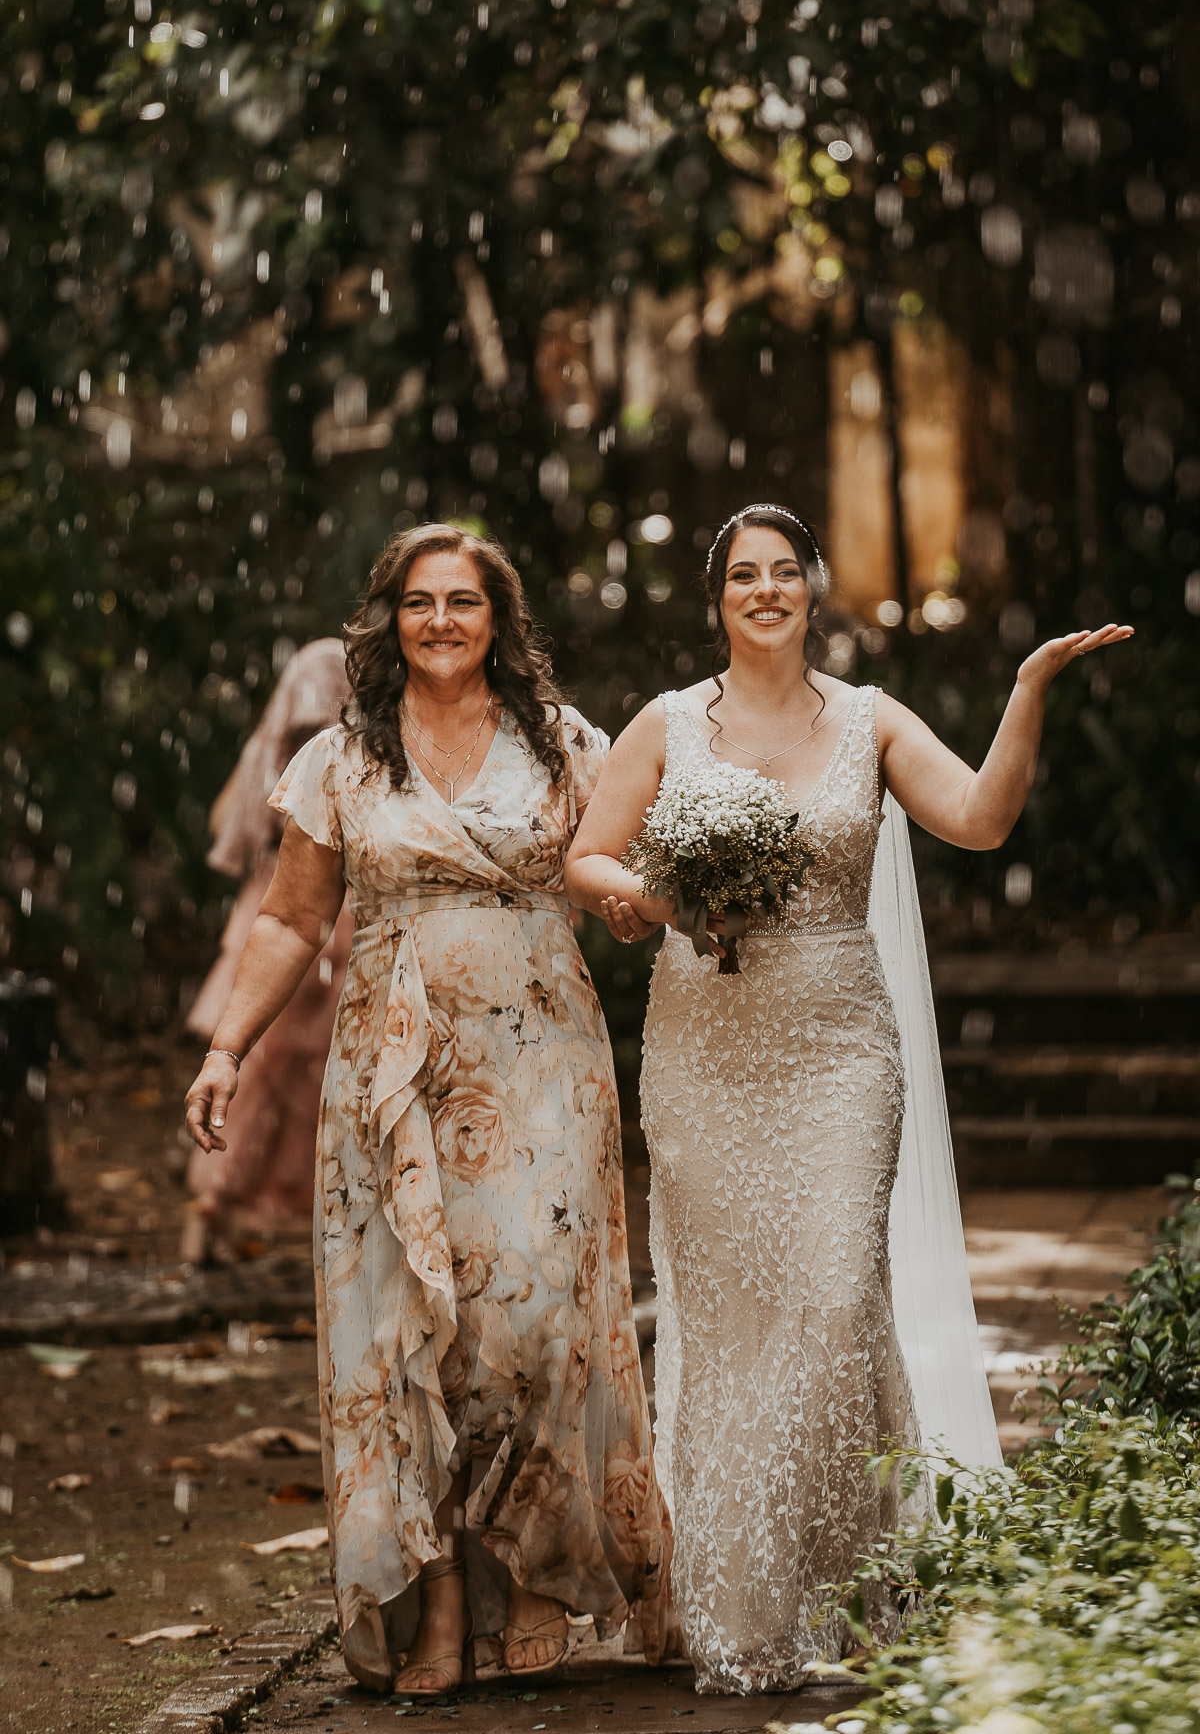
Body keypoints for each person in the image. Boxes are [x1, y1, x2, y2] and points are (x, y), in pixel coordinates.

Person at [564, 503, 1132, 1695]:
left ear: (814, 590)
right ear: (718, 597)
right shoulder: (669, 724)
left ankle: (793, 1567)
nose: (764, 592)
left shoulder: (870, 721)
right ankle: (753, 1597)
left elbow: (980, 819)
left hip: (838, 1053)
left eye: (785, 574)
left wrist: (1028, 687)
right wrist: (667, 899)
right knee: (732, 1324)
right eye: (743, 577)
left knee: (828, 1297)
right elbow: (586, 856)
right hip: (706, 1052)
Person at [183, 525, 669, 1697]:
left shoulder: (563, 745)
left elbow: (621, 866)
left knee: (540, 1317)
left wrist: (640, 907)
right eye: (419, 602)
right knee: (415, 1337)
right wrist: (225, 1050)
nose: (441, 620)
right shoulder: (344, 760)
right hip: (390, 1076)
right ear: (388, 621)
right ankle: (445, 1607)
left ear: (499, 620)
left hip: (546, 1057)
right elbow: (292, 922)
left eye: (463, 601)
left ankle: (544, 1570)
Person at [184, 638, 353, 1262]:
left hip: (301, 892)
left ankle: (223, 1208)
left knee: (292, 1063)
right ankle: (216, 1204)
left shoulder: (279, 731)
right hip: (312, 894)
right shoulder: (330, 704)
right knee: (275, 1054)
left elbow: (230, 813)